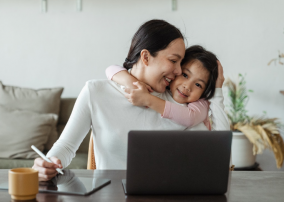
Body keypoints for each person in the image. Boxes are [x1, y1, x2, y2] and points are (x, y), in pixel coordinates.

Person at [32, 19, 229, 181]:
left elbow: (219, 153)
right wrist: (47, 162)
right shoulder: (96, 92)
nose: (178, 71)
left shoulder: (182, 104)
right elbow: (66, 147)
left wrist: (218, 91)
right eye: (173, 60)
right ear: (145, 57)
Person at [105, 45, 222, 130]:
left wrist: (148, 99)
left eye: (198, 85)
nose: (187, 86)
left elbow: (190, 118)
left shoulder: (201, 103)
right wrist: (133, 83)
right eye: (185, 75)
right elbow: (111, 69)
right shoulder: (163, 88)